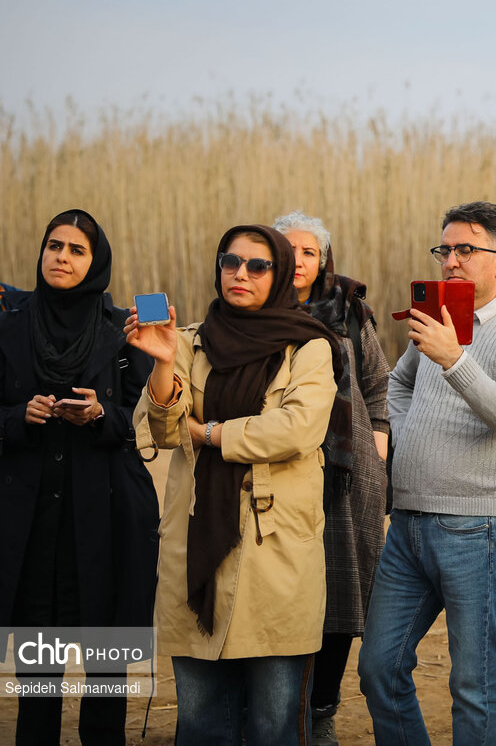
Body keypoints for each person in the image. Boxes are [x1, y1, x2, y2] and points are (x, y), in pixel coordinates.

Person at [127, 225, 339, 746]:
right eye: (230, 261)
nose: (240, 273)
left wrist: (210, 433)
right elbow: (161, 429)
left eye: (258, 265)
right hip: (196, 541)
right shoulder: (189, 341)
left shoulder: (309, 346)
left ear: (280, 274)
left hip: (275, 549)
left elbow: (296, 430)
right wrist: (162, 363)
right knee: (201, 723)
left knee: (273, 723)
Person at [358, 201, 496, 745]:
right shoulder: (437, 319)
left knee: (473, 684)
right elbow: (397, 383)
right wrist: (405, 426)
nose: (451, 260)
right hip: (407, 525)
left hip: (476, 528)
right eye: (445, 250)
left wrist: (454, 360)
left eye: (466, 249)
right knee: (378, 667)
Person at [0, 210, 158, 746]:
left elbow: (148, 421)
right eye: (54, 246)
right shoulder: (11, 324)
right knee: (37, 677)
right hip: (32, 528)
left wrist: (100, 415)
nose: (61, 257)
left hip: (106, 521)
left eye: (76, 250)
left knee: (107, 669)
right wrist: (18, 416)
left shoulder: (123, 329)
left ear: (97, 262)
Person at [273, 211, 391, 746]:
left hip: (347, 477)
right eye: (288, 250)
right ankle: (273, 712)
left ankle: (321, 712)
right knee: (278, 595)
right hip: (276, 472)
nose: (298, 261)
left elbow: (378, 385)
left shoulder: (348, 310)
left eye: (309, 252)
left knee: (340, 597)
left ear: (323, 260)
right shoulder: (253, 310)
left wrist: (377, 449)